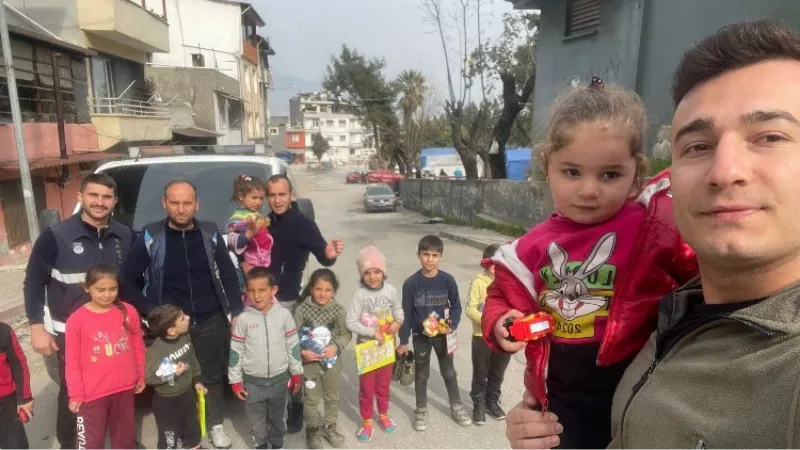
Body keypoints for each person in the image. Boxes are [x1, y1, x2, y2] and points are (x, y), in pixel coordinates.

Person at [505, 19, 800, 450]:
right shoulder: (671, 309)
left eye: (770, 137)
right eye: (698, 146)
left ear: (638, 178)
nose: (725, 171)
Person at [482, 77, 697, 450]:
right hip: (559, 386)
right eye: (572, 172)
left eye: (610, 174)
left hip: (636, 374)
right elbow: (501, 294)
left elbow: (699, 279)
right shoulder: (529, 247)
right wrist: (503, 323)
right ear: (547, 167)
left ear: (636, 172)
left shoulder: (656, 226)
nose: (588, 190)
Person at [123, 179, 242, 449]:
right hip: (170, 331)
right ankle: (175, 431)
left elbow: (229, 275)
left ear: (196, 204)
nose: (181, 208)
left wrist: (235, 312)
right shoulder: (150, 236)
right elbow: (127, 281)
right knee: (171, 379)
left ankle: (215, 425)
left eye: (187, 203)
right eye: (174, 202)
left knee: (211, 376)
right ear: (164, 204)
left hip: (210, 320)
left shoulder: (211, 234)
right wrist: (150, 312)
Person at [23, 173, 133, 450]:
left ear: (114, 201)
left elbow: (130, 284)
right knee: (74, 394)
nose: (100, 202)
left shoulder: (124, 235)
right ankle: (71, 445)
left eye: (106, 197)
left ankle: (120, 442)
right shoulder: (55, 236)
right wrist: (36, 326)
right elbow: (34, 282)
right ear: (80, 197)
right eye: (93, 195)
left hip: (113, 333)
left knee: (118, 390)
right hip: (70, 335)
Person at [263, 174, 343, 433]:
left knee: (291, 359)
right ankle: (274, 407)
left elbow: (323, 254)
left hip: (286, 302)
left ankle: (295, 407)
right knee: (270, 360)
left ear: (291, 195)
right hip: (260, 301)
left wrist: (329, 254)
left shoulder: (303, 224)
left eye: (281, 194)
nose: (276, 200)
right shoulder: (263, 223)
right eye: (272, 195)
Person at [65, 262, 145, 450]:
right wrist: (75, 394)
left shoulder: (128, 311)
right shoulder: (76, 320)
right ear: (87, 288)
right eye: (100, 289)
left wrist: (140, 375)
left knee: (124, 441)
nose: (107, 294)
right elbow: (72, 361)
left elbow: (138, 346)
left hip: (124, 387)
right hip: (91, 394)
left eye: (112, 289)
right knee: (90, 443)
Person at [397, 235, 472, 431]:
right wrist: (403, 341)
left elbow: (456, 306)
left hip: (443, 335)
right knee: (421, 374)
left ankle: (456, 405)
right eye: (426, 254)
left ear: (440, 257)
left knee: (449, 371)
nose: (430, 259)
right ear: (419, 255)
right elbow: (405, 313)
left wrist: (452, 325)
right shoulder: (411, 283)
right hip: (420, 336)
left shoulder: (447, 280)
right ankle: (421, 409)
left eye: (435, 255)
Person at [229, 268, 303, 450]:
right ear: (246, 292)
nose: (257, 295)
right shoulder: (244, 319)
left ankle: (278, 444)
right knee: (256, 420)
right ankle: (260, 444)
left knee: (279, 418)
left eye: (262, 290)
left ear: (273, 291)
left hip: (279, 380)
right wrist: (235, 381)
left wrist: (296, 373)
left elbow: (293, 346)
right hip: (253, 384)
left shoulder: (284, 315)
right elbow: (235, 352)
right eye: (252, 291)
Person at [345, 245, 404, 442]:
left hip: (386, 348)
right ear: (362, 275)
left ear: (383, 272)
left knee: (383, 385)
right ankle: (368, 420)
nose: (372, 276)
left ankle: (384, 414)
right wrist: (372, 332)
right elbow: (350, 322)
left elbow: (398, 310)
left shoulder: (390, 291)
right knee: (367, 388)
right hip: (367, 350)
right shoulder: (359, 294)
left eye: (376, 271)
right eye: (367, 273)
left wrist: (397, 322)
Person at [293, 269, 351, 450]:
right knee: (310, 398)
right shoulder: (302, 309)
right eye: (318, 289)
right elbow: (292, 335)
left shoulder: (339, 310)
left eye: (327, 290)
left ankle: (330, 427)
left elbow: (345, 334)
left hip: (331, 363)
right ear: (311, 289)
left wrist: (335, 347)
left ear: (334, 290)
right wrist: (302, 351)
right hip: (309, 364)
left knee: (331, 396)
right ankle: (312, 430)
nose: (323, 294)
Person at [145, 304, 207, 450]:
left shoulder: (185, 337)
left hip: (187, 394)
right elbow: (149, 377)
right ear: (172, 330)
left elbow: (192, 359)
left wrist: (197, 381)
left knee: (192, 428)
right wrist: (173, 373)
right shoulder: (156, 351)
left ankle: (194, 446)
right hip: (167, 402)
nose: (188, 317)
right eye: (182, 318)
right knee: (169, 435)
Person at [465, 243, 510, 425]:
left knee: (497, 373)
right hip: (482, 337)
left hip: (504, 338)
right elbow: (470, 309)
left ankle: (492, 401)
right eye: (491, 263)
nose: (495, 267)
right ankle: (478, 404)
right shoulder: (478, 282)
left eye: (499, 263)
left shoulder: (509, 284)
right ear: (485, 263)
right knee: (480, 373)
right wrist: (490, 322)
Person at [228, 174, 273, 272]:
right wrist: (247, 235)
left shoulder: (256, 214)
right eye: (254, 198)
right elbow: (232, 242)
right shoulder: (238, 218)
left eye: (261, 198)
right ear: (241, 196)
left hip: (263, 262)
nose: (258, 202)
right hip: (251, 265)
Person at [0, 321, 33, 450]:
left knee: (16, 445)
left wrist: (24, 398)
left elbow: (19, 365)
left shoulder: (4, 331)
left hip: (6, 401)